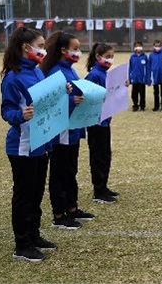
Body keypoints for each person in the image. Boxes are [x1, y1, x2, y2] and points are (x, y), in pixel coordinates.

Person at [1, 27, 57, 262]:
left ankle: (34, 236)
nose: (43, 50)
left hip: (41, 143)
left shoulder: (38, 73)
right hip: (22, 146)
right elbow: (7, 110)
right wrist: (20, 115)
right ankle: (21, 244)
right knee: (24, 195)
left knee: (35, 194)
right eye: (41, 45)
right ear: (26, 47)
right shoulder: (13, 77)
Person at [40, 31, 95, 231]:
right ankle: (59, 214)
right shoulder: (56, 72)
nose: (78, 52)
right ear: (63, 50)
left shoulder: (69, 70)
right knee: (59, 171)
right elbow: (49, 102)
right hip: (61, 131)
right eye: (75, 49)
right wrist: (72, 101)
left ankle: (72, 208)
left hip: (73, 129)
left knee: (70, 170)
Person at [85, 43, 119, 204]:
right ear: (98, 57)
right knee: (98, 156)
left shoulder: (105, 73)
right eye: (107, 56)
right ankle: (98, 190)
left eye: (112, 57)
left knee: (105, 155)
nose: (110, 60)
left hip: (104, 121)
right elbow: (89, 96)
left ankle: (103, 186)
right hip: (96, 122)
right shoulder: (95, 74)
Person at [129, 41, 149, 112]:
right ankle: (135, 105)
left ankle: (142, 106)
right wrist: (130, 78)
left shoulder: (144, 57)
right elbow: (130, 68)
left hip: (142, 79)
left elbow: (147, 68)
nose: (138, 47)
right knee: (134, 93)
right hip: (134, 78)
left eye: (139, 46)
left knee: (142, 93)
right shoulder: (132, 57)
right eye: (136, 46)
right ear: (134, 48)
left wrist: (147, 78)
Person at [149, 40, 162, 112]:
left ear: (161, 46)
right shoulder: (151, 55)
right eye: (156, 46)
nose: (157, 47)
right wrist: (150, 76)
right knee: (156, 92)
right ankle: (156, 106)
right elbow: (149, 66)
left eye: (159, 46)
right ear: (153, 46)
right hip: (155, 76)